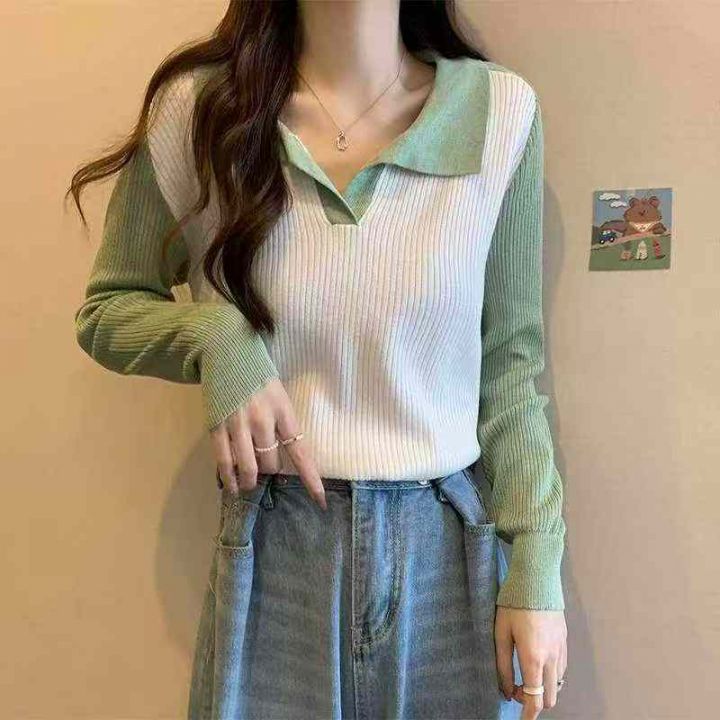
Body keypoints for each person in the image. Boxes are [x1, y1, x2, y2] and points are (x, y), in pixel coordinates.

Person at [67, 1, 568, 718]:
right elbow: (108, 310)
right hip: (277, 549)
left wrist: (536, 569)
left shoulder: (500, 114)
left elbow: (509, 371)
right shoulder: (201, 114)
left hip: (447, 559)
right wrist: (217, 337)